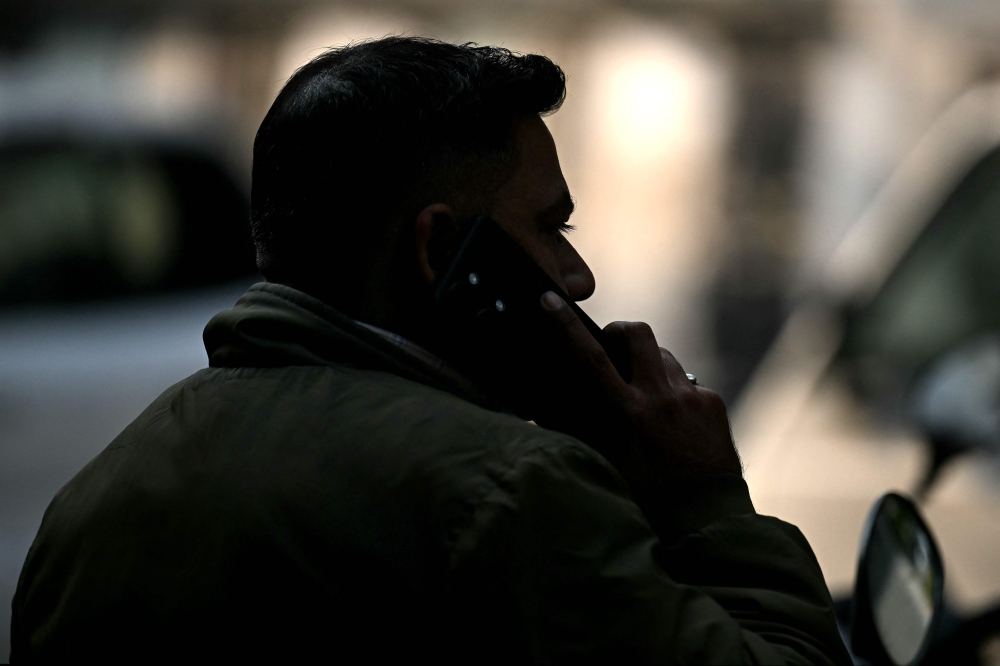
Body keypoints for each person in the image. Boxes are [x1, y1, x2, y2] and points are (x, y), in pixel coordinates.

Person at [11, 37, 851, 663]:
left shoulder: (90, 506)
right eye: (552, 228)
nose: (579, 276)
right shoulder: (507, 491)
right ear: (442, 252)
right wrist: (701, 496)